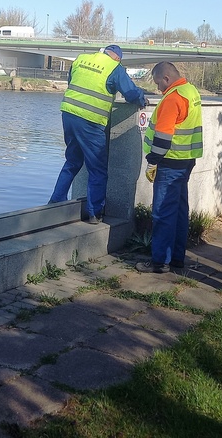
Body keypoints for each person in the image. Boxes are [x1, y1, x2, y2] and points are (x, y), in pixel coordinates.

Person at [49, 44, 146, 223]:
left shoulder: (81, 59)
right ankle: (94, 212)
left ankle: (55, 201)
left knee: (72, 160)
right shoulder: (114, 68)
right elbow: (131, 93)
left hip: (69, 114)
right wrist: (142, 99)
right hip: (91, 121)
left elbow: (73, 82)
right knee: (97, 168)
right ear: (117, 57)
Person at [136, 62, 203, 273]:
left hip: (169, 162)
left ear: (166, 78)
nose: (157, 88)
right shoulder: (190, 91)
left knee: (162, 213)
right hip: (186, 161)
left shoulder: (172, 98)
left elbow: (163, 138)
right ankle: (176, 259)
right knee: (180, 211)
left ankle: (159, 262)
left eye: (158, 83)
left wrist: (153, 161)